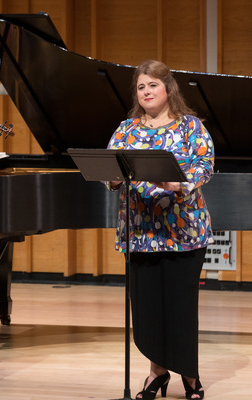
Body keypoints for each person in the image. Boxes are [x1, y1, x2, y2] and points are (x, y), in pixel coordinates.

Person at [105, 60, 214, 399]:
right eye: (141, 87)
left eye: (153, 85)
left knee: (181, 306)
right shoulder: (126, 129)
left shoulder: (191, 127)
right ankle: (157, 373)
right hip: (140, 232)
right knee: (148, 306)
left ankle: (190, 375)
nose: (147, 91)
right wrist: (110, 177)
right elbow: (111, 168)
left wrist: (177, 183)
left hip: (184, 231)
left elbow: (204, 165)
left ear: (168, 89)